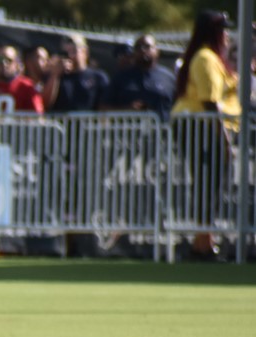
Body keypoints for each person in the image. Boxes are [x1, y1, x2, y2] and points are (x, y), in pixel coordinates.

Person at [171, 10, 239, 260]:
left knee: (211, 185)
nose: (227, 34)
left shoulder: (216, 59)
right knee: (206, 184)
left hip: (208, 127)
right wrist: (224, 140)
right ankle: (201, 244)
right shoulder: (205, 58)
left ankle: (204, 242)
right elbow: (211, 104)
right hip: (201, 127)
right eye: (223, 29)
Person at [102, 34, 175, 118]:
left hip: (161, 129)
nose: (143, 50)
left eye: (147, 46)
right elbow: (104, 108)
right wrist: (127, 110)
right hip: (130, 129)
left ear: (157, 50)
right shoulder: (121, 77)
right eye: (138, 47)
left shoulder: (168, 77)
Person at [45, 33, 109, 113]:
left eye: (73, 51)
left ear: (85, 52)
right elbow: (45, 104)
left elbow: (105, 107)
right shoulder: (58, 77)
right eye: (65, 52)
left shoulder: (98, 77)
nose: (70, 56)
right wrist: (55, 75)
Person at [0, 46, 43, 114]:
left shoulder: (26, 87)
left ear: (16, 64)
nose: (4, 63)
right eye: (0, 59)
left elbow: (37, 116)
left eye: (9, 60)